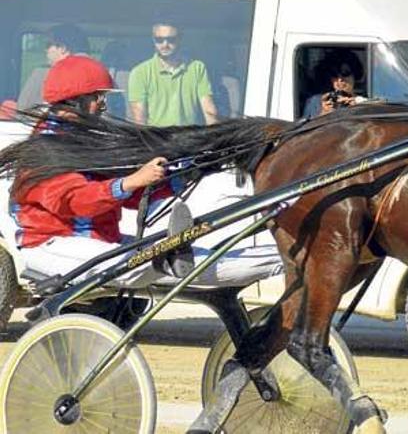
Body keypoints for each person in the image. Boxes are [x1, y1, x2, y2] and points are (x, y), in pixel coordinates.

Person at [10, 55, 281, 288]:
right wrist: (130, 181)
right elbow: (77, 202)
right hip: (54, 244)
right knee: (147, 263)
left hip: (99, 240)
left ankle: (282, 258)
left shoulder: (82, 136)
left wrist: (174, 181)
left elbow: (123, 197)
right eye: (97, 97)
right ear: (73, 100)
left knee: (194, 257)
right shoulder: (46, 146)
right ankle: (172, 252)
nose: (102, 105)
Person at [128, 21, 219, 126]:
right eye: (159, 40)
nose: (165, 44)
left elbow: (210, 112)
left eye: (171, 39)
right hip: (155, 139)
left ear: (180, 39)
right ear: (153, 40)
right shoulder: (139, 73)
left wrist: (215, 138)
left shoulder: (197, 68)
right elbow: (139, 121)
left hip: (190, 138)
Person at [16, 24, 90, 109]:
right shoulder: (102, 76)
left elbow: (23, 109)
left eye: (48, 45)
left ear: (62, 48)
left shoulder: (42, 74)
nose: (46, 50)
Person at [302, 53, 366, 119]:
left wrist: (358, 109)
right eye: (334, 74)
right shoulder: (316, 101)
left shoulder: (365, 102)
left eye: (345, 73)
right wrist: (324, 113)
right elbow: (305, 127)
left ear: (355, 75)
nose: (340, 79)